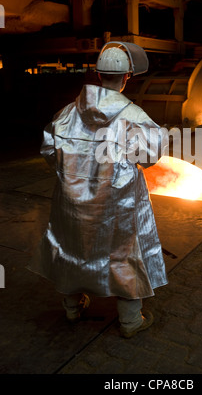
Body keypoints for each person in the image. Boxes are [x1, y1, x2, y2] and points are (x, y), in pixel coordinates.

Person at [28, 41, 168, 338]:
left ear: (97, 73)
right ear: (127, 76)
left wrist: (74, 177)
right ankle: (131, 320)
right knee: (122, 251)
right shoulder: (134, 117)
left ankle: (72, 307)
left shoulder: (66, 113)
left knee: (72, 246)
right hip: (117, 204)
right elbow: (151, 156)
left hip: (71, 200)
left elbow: (49, 151)